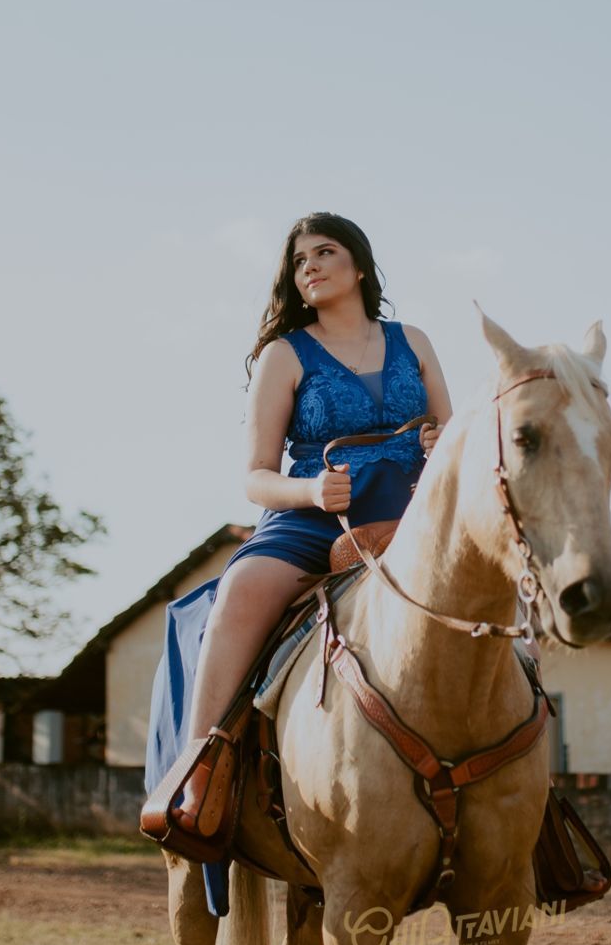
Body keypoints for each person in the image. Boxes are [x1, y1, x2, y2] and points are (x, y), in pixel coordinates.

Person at [142, 212, 455, 837]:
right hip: (314, 515)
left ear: (359, 266)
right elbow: (256, 476)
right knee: (242, 589)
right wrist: (310, 488)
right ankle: (202, 771)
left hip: (412, 515)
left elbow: (455, 442)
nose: (307, 266)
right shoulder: (283, 355)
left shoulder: (414, 341)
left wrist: (440, 441)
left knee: (503, 587)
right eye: (298, 259)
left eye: (324, 252)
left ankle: (534, 802)